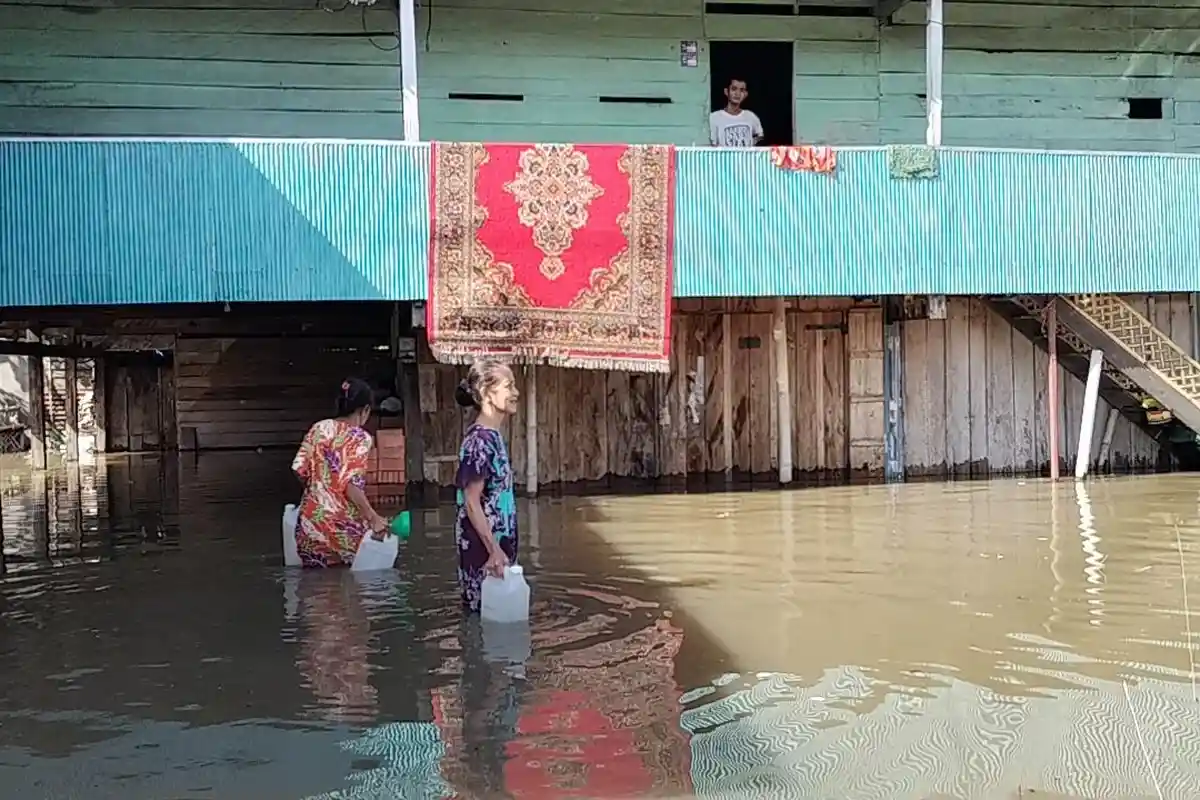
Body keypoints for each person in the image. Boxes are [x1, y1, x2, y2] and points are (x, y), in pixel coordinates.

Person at [292, 378, 390, 568]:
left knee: (314, 589)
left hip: (309, 526)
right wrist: (373, 517)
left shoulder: (318, 428)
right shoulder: (359, 437)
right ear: (365, 410)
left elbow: (299, 470)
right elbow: (351, 485)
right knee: (348, 589)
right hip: (341, 530)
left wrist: (318, 493)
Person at [453, 358, 520, 613]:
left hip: (498, 550)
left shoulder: (492, 437)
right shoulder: (478, 442)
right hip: (486, 554)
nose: (515, 393)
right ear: (486, 393)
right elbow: (470, 501)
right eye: (508, 386)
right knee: (482, 617)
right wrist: (493, 550)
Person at [709, 77, 763, 148]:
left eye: (742, 90)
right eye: (734, 89)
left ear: (746, 94)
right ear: (726, 91)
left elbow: (760, 138)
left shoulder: (751, 117)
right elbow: (713, 144)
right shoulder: (714, 117)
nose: (737, 93)